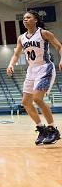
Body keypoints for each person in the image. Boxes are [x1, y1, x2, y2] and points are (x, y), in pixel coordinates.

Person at [7, 10, 62, 145]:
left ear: (35, 20)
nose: (25, 20)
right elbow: (16, 54)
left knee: (37, 99)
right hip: (31, 71)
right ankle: (41, 129)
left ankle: (53, 129)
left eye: (28, 17)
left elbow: (59, 46)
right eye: (24, 18)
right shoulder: (21, 38)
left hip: (45, 68)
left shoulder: (44, 33)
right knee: (26, 103)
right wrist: (11, 65)